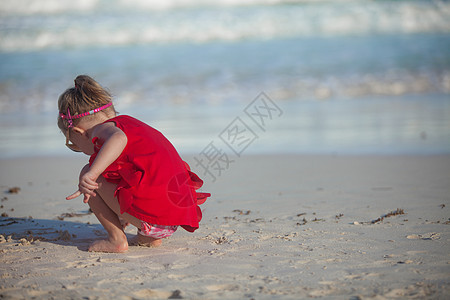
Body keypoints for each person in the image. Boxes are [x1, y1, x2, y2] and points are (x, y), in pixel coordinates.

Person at [57, 75, 210, 253]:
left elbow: (118, 138)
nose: (80, 150)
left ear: (78, 132)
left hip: (154, 217)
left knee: (89, 173)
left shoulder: (103, 129)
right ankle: (149, 237)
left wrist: (91, 174)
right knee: (106, 172)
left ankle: (116, 240)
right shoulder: (130, 124)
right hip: (174, 217)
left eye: (74, 145)